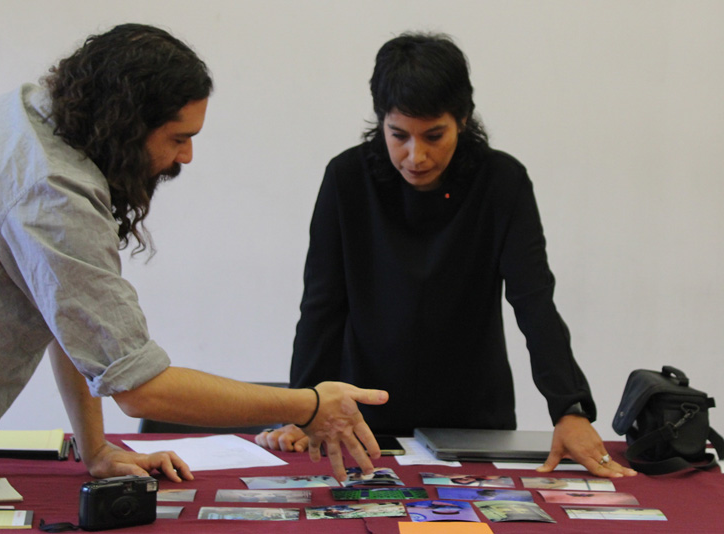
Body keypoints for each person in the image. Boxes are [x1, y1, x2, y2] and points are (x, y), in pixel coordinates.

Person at [0, 23, 388, 486]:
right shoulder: (54, 193)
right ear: (124, 127)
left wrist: (96, 450)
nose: (186, 156)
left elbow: (70, 315)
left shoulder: (27, 113)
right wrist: (308, 404)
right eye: (178, 138)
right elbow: (139, 389)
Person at [257, 33, 635, 478]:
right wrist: (305, 404)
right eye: (399, 135)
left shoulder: (502, 182)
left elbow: (534, 301)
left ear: (463, 119)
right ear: (381, 121)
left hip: (474, 417)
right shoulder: (347, 179)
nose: (415, 155)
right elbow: (322, 304)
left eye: (434, 136)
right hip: (362, 417)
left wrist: (569, 408)